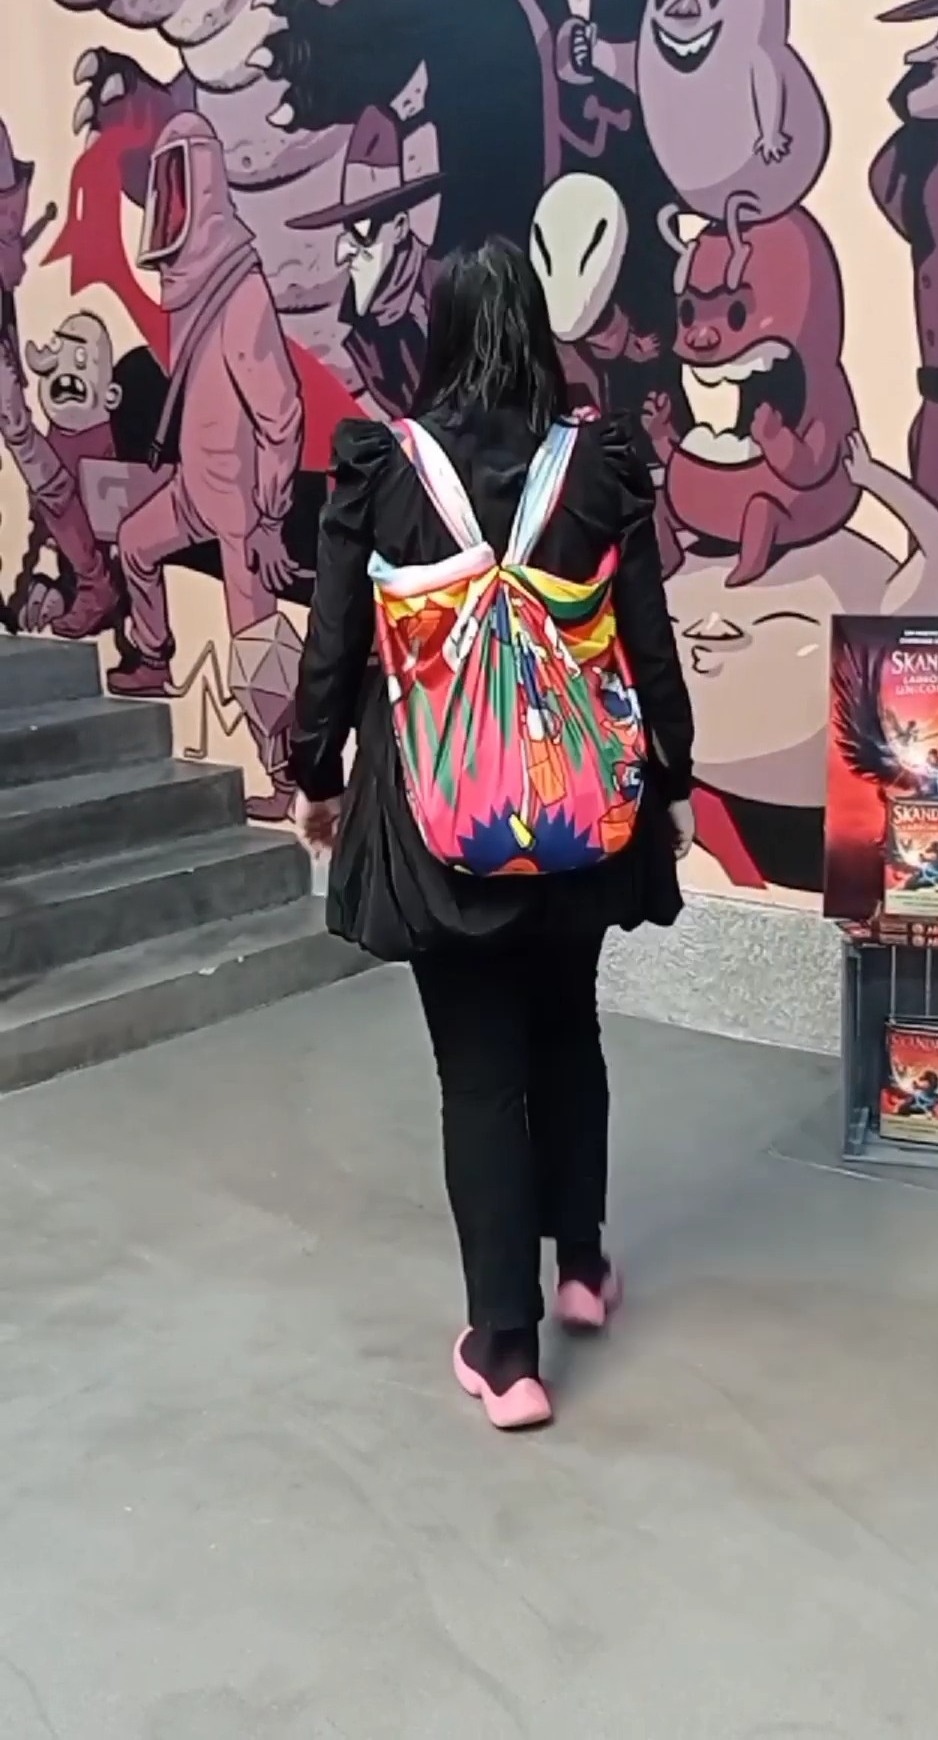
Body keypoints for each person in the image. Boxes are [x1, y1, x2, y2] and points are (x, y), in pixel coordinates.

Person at [288, 238, 694, 1431]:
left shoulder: (385, 468)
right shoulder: (598, 467)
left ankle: (507, 1354)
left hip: (438, 819)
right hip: (579, 812)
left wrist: (314, 772)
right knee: (570, 1030)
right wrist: (673, 777)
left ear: (444, 331)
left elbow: (333, 646)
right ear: (537, 324)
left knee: (478, 1073)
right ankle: (583, 1269)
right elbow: (647, 640)